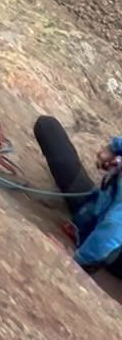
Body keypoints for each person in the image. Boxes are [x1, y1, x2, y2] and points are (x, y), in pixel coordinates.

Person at [33, 117, 122, 277]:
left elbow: (112, 233)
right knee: (47, 127)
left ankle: (90, 251)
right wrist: (113, 148)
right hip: (93, 208)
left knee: (108, 240)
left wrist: (73, 261)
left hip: (114, 250)